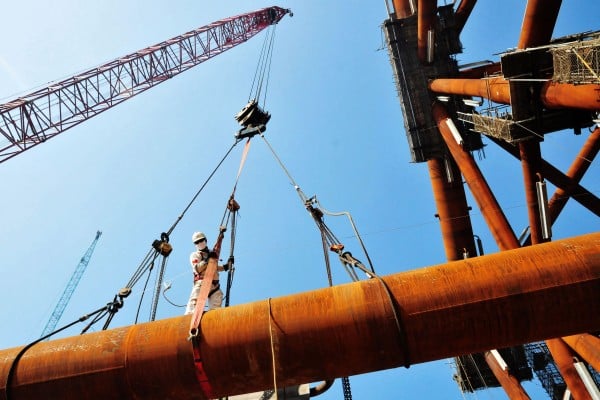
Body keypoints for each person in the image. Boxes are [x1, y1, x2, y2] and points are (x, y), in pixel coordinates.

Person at [184, 231, 227, 315]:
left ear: (205, 240)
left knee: (216, 309)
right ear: (195, 244)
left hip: (214, 286)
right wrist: (207, 260)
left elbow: (214, 267)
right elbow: (197, 268)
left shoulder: (212, 253)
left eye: (201, 240)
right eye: (197, 242)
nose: (200, 243)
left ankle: (214, 321)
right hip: (202, 283)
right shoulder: (195, 254)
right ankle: (189, 319)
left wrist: (226, 266)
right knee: (193, 305)